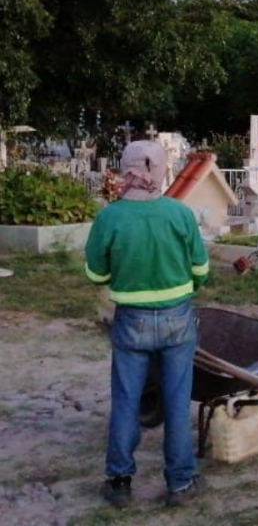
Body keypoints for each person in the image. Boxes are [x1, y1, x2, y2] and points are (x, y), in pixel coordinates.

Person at [84, 141, 209, 509]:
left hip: (131, 321)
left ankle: (120, 482)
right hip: (177, 320)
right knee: (176, 400)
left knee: (126, 400)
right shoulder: (179, 213)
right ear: (161, 171)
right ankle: (180, 484)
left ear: (125, 171)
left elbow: (96, 273)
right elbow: (200, 271)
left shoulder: (110, 217)